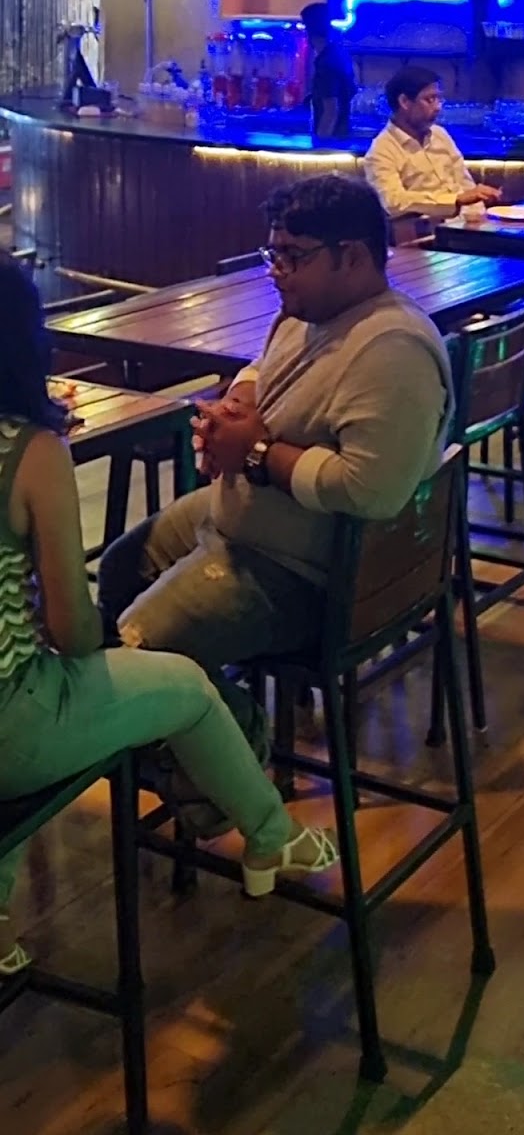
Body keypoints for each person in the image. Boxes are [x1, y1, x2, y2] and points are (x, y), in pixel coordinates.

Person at [0, 256, 336, 977]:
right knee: (182, 684)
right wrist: (90, 640)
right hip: (9, 728)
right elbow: (71, 631)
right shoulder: (29, 451)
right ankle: (270, 835)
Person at [98, 176, 453, 721]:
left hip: (304, 575)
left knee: (137, 656)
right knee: (120, 569)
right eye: (273, 253)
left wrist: (257, 452)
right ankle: (150, 723)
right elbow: (262, 368)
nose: (275, 270)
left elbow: (370, 490)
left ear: (353, 257)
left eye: (293, 256)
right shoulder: (307, 313)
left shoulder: (392, 349)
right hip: (241, 527)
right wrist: (237, 407)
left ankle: (225, 736)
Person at [364, 65, 502, 222]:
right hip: (426, 232)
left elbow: (465, 184)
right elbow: (394, 202)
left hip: (468, 226)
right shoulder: (381, 151)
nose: (437, 107)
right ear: (404, 102)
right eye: (429, 100)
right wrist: (456, 200)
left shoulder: (440, 134)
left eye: (438, 99)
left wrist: (482, 212)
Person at [301, 1, 356, 141]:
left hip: (332, 140)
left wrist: (321, 145)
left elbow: (331, 112)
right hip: (343, 136)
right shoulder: (340, 54)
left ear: (310, 33)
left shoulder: (326, 64)